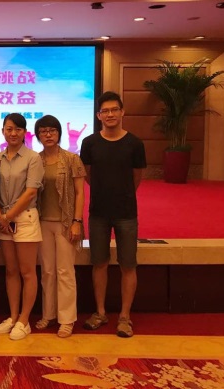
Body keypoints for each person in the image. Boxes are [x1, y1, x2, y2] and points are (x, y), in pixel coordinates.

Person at [80, 91, 146, 338]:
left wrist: (122, 194)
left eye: (114, 109)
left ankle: (125, 317)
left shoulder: (135, 144)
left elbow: (136, 177)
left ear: (122, 112)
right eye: (105, 111)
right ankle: (100, 312)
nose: (110, 114)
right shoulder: (89, 143)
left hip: (126, 213)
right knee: (99, 263)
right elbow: (88, 174)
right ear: (98, 115)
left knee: (128, 264)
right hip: (98, 212)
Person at [0, 113, 44, 341]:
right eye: (9, 129)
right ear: (3, 131)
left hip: (25, 218)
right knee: (11, 270)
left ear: (25, 132)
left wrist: (9, 216)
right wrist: (0, 216)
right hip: (3, 219)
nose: (13, 133)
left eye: (18, 129)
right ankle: (13, 316)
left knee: (27, 271)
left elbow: (31, 192)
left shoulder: (33, 158)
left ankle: (24, 320)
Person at [35, 114, 86, 338]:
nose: (48, 135)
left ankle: (67, 319)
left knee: (65, 271)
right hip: (41, 222)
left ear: (59, 133)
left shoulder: (72, 159)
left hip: (65, 223)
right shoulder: (35, 160)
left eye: (52, 130)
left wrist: (77, 221)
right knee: (47, 271)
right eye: (43, 131)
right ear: (38, 135)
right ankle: (49, 314)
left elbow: (80, 193)